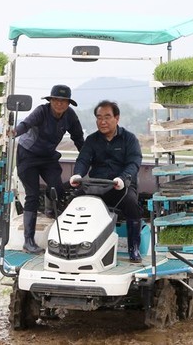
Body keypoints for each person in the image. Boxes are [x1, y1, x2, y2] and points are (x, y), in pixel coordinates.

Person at [69, 100, 143, 263]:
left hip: (121, 186)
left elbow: (134, 163)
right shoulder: (92, 140)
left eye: (107, 117)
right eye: (99, 117)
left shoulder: (129, 139)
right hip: (96, 186)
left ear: (117, 118)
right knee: (74, 200)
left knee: (132, 204)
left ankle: (134, 249)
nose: (102, 121)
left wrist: (122, 178)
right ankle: (77, 248)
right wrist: (77, 175)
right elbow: (83, 160)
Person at [13, 84, 84, 254]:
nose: (59, 104)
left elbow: (79, 138)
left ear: (68, 104)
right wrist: (13, 132)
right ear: (50, 100)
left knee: (56, 188)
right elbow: (26, 124)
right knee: (32, 194)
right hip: (27, 155)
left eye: (63, 101)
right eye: (56, 100)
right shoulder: (41, 111)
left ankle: (49, 203)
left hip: (47, 156)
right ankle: (28, 241)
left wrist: (89, 158)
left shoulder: (70, 116)